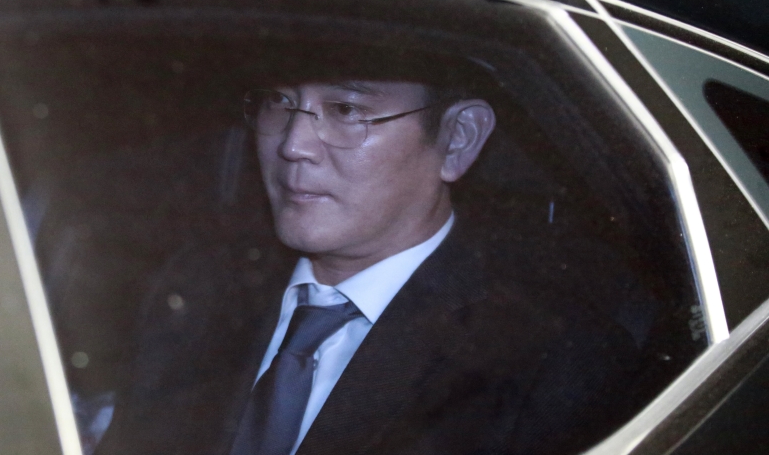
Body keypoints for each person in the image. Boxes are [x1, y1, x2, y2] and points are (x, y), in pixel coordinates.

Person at [97, 74, 642, 455]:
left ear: (457, 140)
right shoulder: (201, 285)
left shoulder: (550, 359)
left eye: (346, 110)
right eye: (278, 103)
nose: (293, 145)